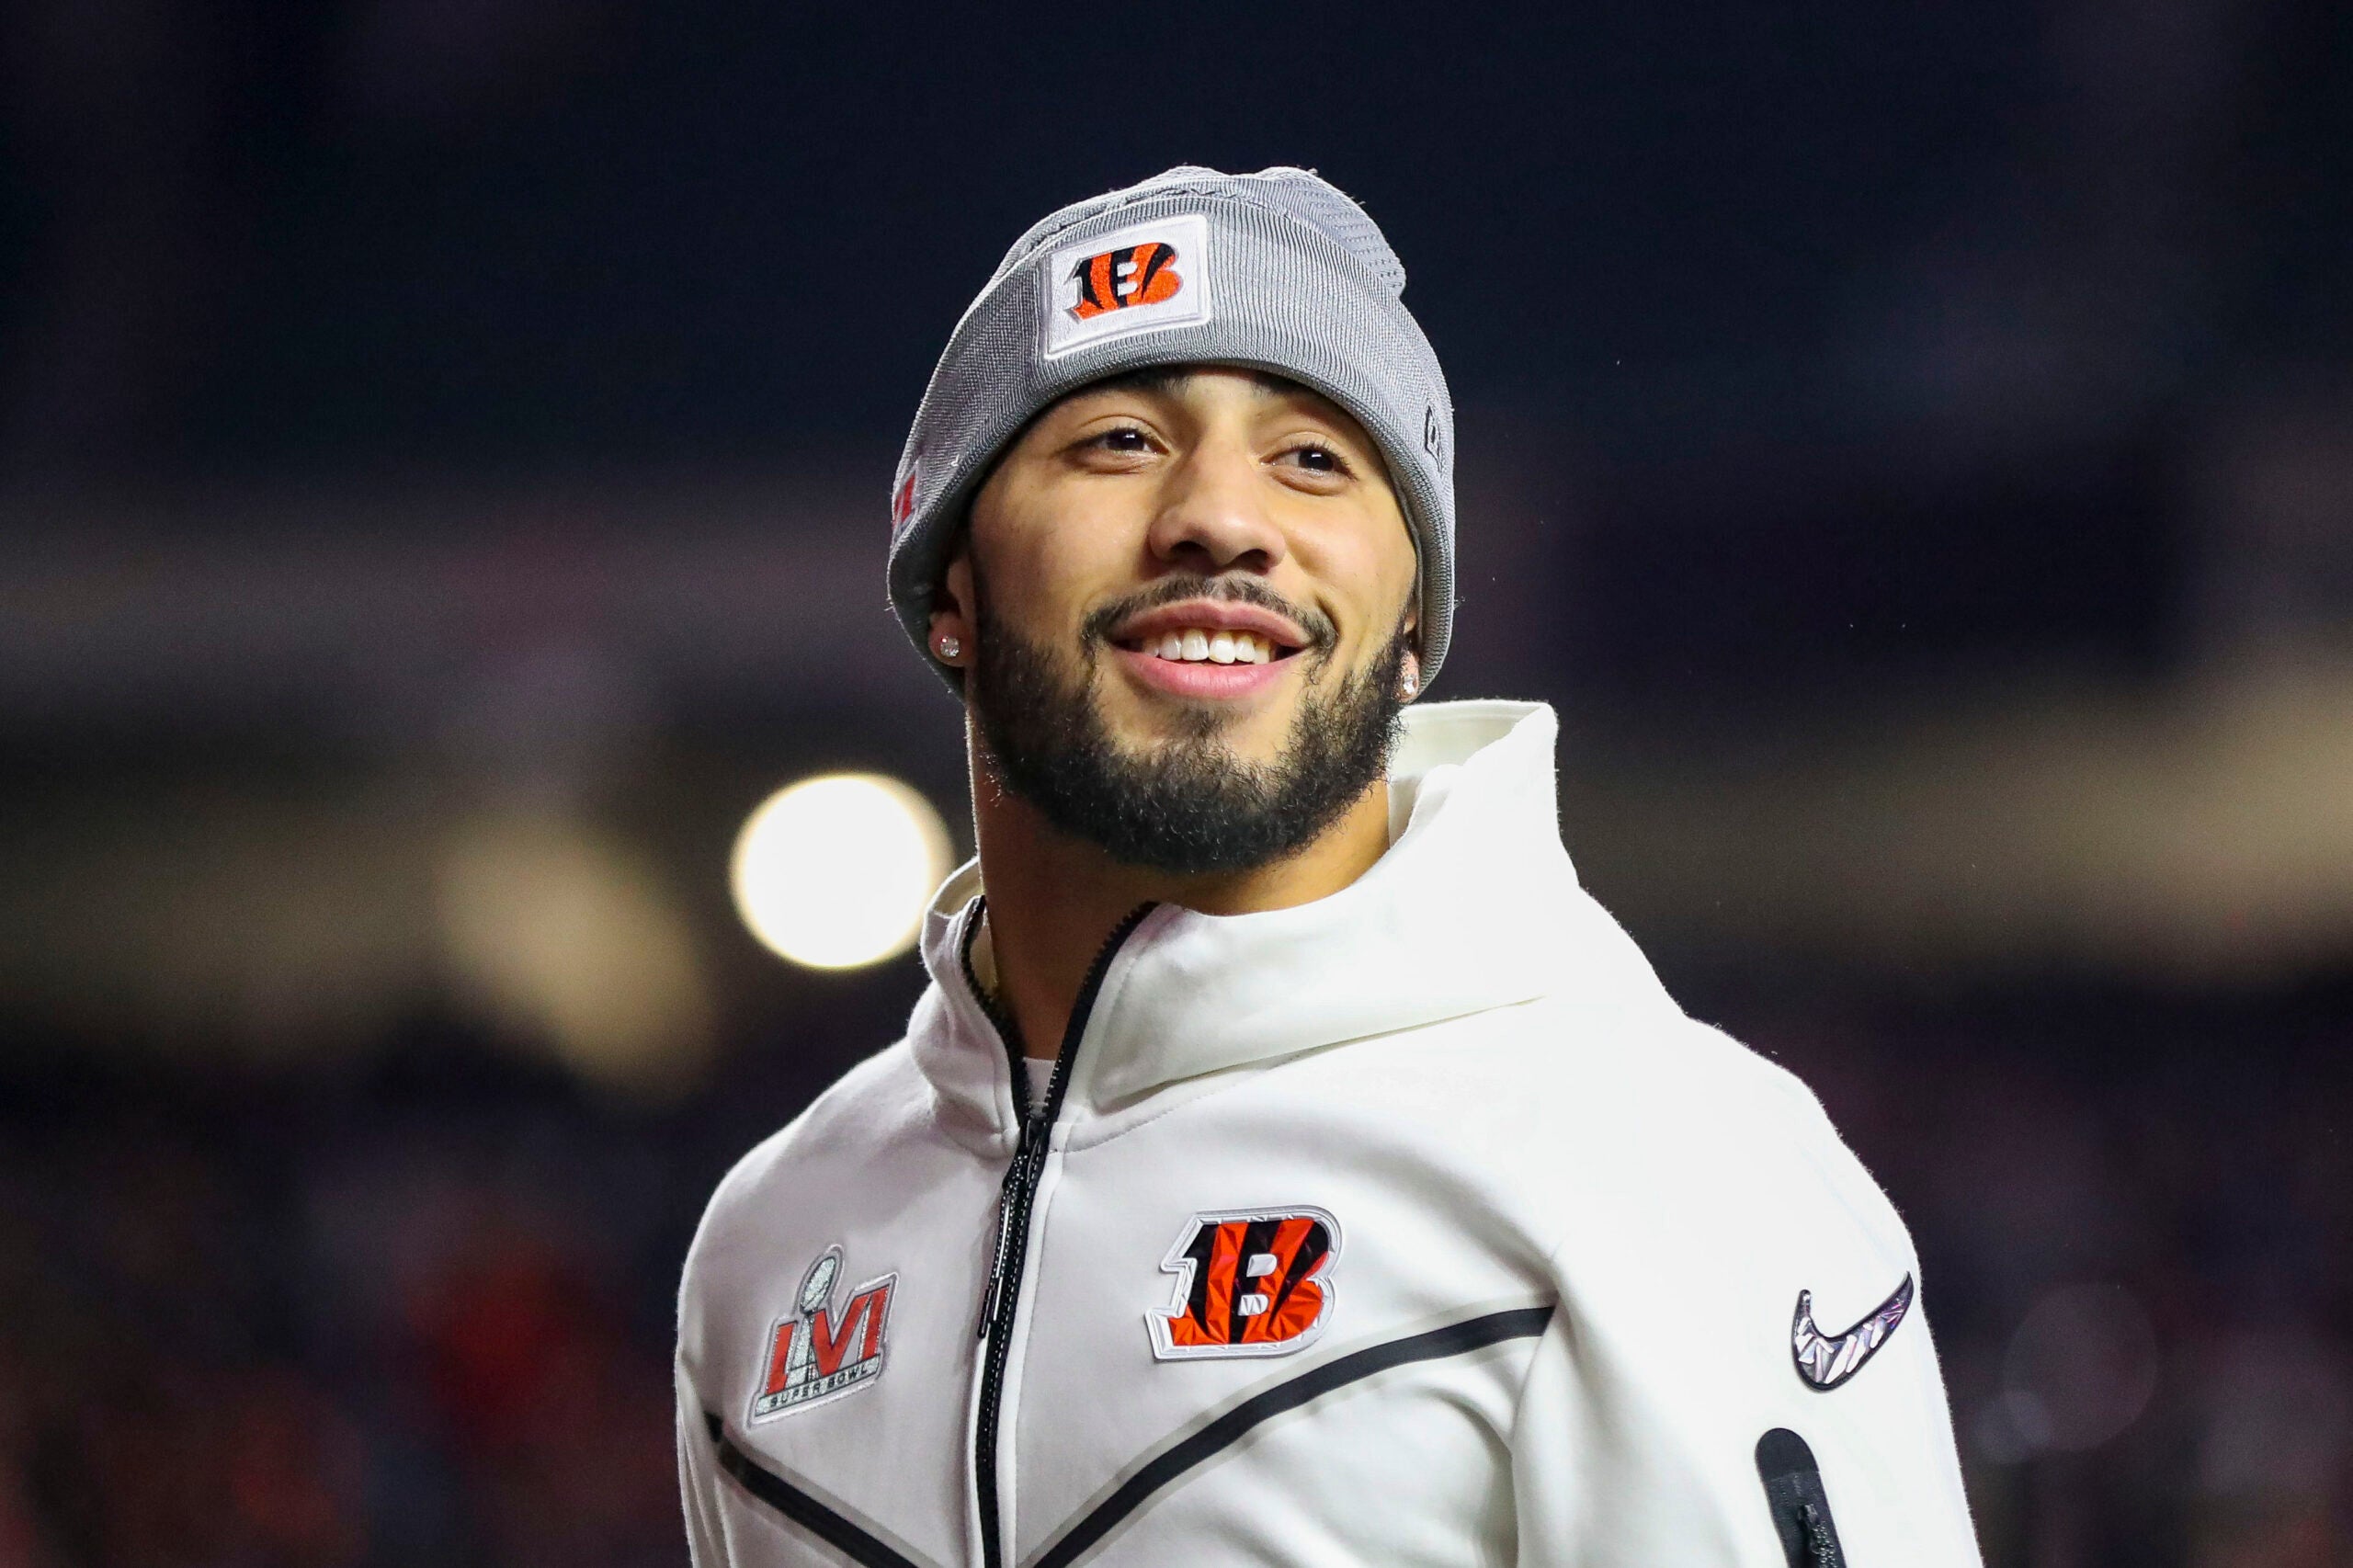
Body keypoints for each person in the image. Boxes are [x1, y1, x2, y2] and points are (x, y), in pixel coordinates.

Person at [676, 165, 1983, 1568]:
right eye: (1120, 439)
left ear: (1413, 623)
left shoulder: (1665, 1160)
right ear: (951, 585)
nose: (1220, 516)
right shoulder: (774, 1238)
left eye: (1312, 459)